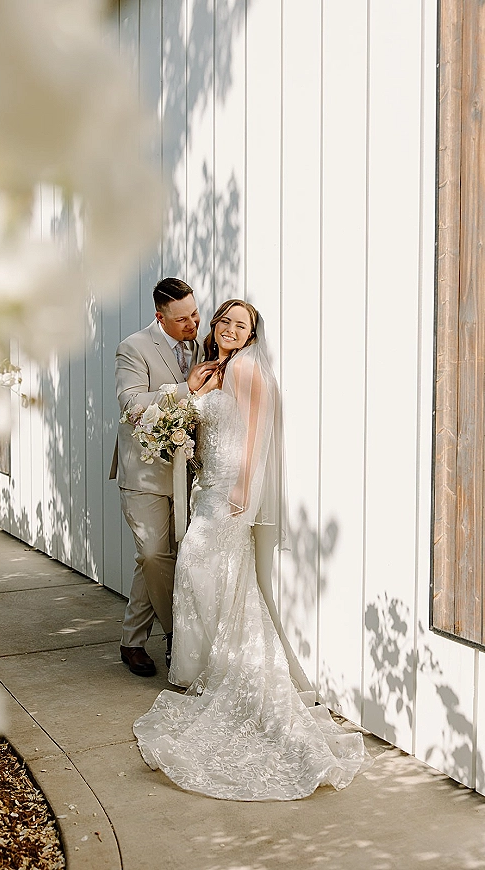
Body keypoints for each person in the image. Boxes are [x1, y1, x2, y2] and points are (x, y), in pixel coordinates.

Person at [133, 299, 372, 800]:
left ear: (252, 333)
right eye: (224, 321)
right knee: (206, 574)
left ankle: (222, 668)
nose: (230, 329)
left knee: (202, 567)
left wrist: (244, 486)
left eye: (241, 325)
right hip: (208, 485)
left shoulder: (246, 369)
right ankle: (202, 668)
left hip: (230, 491)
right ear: (215, 326)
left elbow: (257, 434)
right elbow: (206, 425)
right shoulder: (214, 369)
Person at [110, 278, 217, 677]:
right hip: (143, 471)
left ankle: (131, 642)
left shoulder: (199, 343)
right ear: (160, 317)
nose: (193, 323)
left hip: (186, 470)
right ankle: (176, 636)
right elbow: (131, 402)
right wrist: (182, 389)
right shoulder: (133, 347)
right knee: (156, 554)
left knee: (151, 559)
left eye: (194, 313)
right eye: (183, 318)